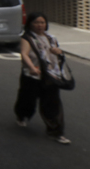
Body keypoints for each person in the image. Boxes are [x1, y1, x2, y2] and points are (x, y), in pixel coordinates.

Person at [14, 12, 70, 144]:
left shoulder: (51, 38)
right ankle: (22, 115)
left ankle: (56, 132)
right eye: (36, 22)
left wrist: (59, 51)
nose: (40, 25)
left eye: (42, 22)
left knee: (52, 104)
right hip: (32, 76)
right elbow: (24, 54)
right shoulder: (27, 38)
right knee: (27, 100)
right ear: (30, 24)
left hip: (51, 76)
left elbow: (58, 54)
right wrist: (32, 68)